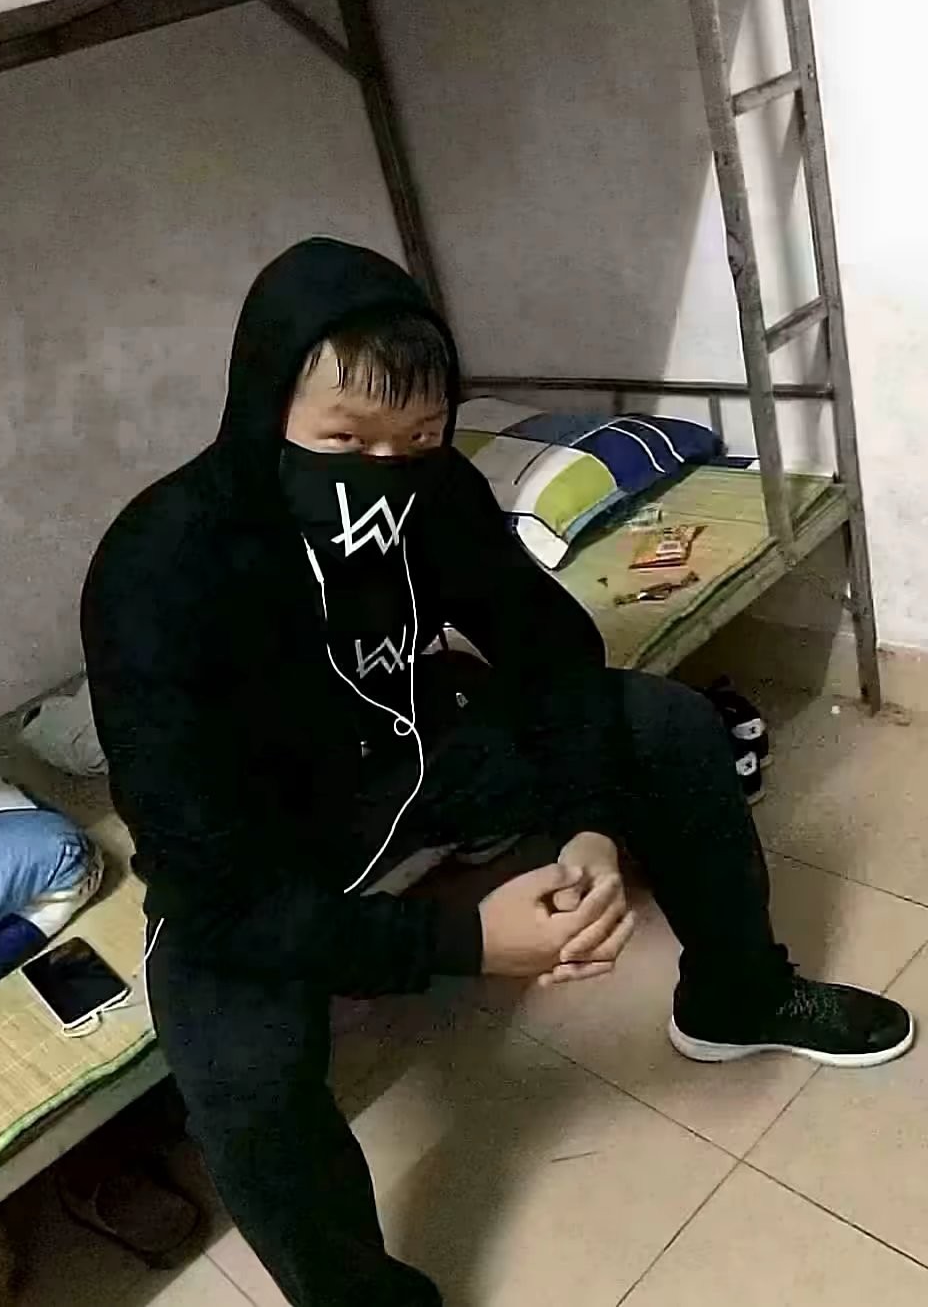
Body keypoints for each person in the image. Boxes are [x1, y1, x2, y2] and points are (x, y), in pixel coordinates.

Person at [81, 238, 913, 1307]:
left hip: (414, 756)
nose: (386, 469)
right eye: (346, 439)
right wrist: (466, 944)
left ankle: (736, 996)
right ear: (263, 407)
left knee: (663, 726)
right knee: (241, 1081)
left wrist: (590, 823)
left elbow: (549, 650)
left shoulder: (437, 492)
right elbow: (214, 890)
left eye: (420, 437)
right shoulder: (160, 568)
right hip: (259, 845)